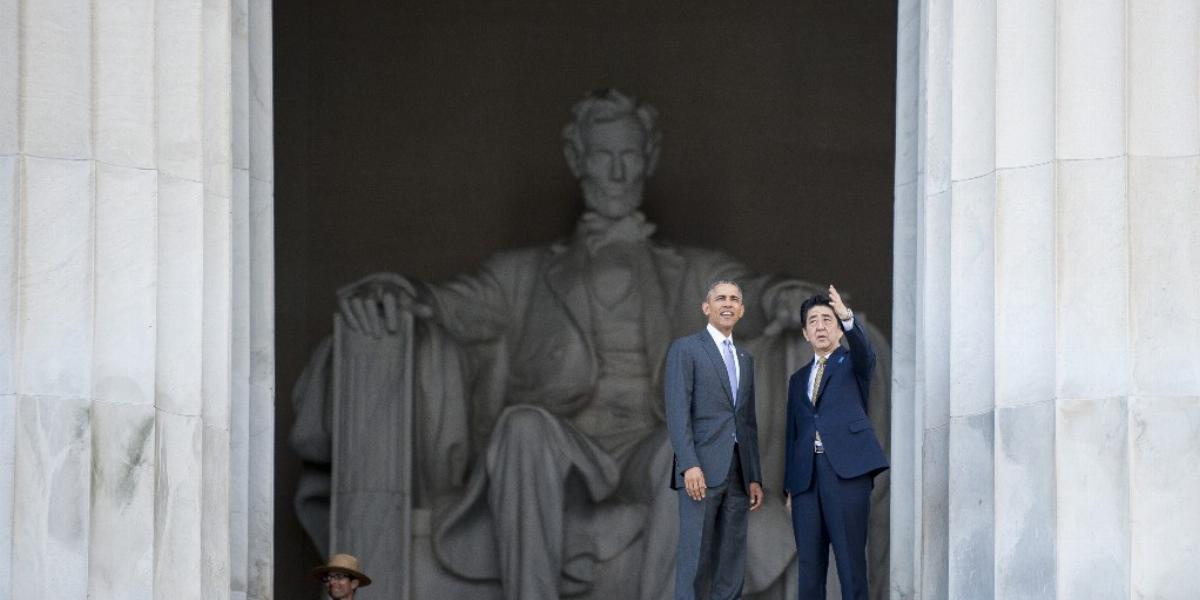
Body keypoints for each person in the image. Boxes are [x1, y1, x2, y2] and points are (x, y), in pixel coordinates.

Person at [291, 89, 848, 599]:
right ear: (577, 159)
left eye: (629, 155)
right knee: (521, 428)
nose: (616, 170)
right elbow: (450, 304)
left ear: (648, 159)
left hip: (651, 443)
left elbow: (750, 292)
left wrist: (790, 300)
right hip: (565, 450)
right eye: (602, 155)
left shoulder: (691, 275)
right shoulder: (523, 275)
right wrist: (401, 291)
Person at [783, 286, 888, 599]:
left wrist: (846, 315)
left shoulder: (854, 363)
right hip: (806, 481)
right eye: (813, 321)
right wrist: (790, 488)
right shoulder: (798, 379)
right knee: (810, 569)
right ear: (805, 333)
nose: (820, 326)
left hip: (846, 474)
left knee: (850, 564)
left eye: (827, 320)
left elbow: (866, 352)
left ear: (839, 329)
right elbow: (793, 433)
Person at [665, 281, 765, 600]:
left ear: (742, 310)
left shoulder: (745, 358)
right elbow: (678, 411)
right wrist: (688, 464)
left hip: (737, 473)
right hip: (701, 470)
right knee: (695, 559)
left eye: (734, 299)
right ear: (706, 308)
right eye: (720, 298)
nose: (728, 303)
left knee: (732, 561)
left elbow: (747, 422)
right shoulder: (687, 348)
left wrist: (754, 477)